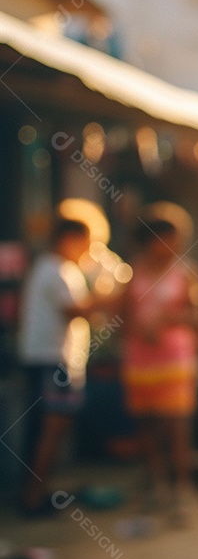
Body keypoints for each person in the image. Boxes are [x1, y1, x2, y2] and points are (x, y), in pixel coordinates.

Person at [120, 215, 198, 527]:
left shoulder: (187, 274)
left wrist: (170, 319)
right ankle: (157, 484)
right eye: (164, 239)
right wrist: (139, 329)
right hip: (141, 360)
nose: (170, 246)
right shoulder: (132, 273)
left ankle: (182, 488)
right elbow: (121, 316)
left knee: (176, 424)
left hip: (175, 359)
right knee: (146, 424)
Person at [18, 218, 93, 516]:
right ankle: (33, 497)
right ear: (70, 239)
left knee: (46, 429)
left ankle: (35, 493)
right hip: (53, 360)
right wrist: (115, 298)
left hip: (48, 359)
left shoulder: (52, 268)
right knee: (52, 428)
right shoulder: (55, 270)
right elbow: (75, 310)